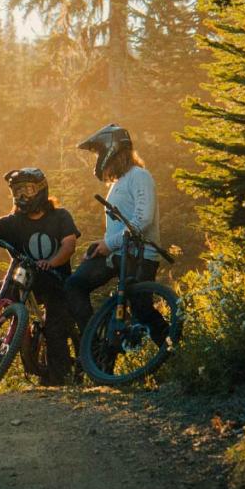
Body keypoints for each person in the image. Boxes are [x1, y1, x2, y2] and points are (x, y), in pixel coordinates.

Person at [0, 168, 81, 385]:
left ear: (41, 189)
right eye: (17, 191)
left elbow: (69, 244)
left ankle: (59, 381)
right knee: (6, 290)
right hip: (26, 280)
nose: (22, 196)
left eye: (27, 189)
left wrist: (51, 262)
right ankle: (12, 334)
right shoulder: (13, 222)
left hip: (56, 281)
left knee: (56, 332)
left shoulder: (60, 216)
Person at [65, 123, 166, 342]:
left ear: (112, 150)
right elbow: (122, 226)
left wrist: (108, 244)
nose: (99, 159)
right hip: (119, 253)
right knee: (74, 285)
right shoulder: (120, 181)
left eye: (100, 152)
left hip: (140, 256)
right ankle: (94, 343)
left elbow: (143, 219)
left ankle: (172, 348)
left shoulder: (140, 176)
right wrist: (101, 246)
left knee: (142, 310)